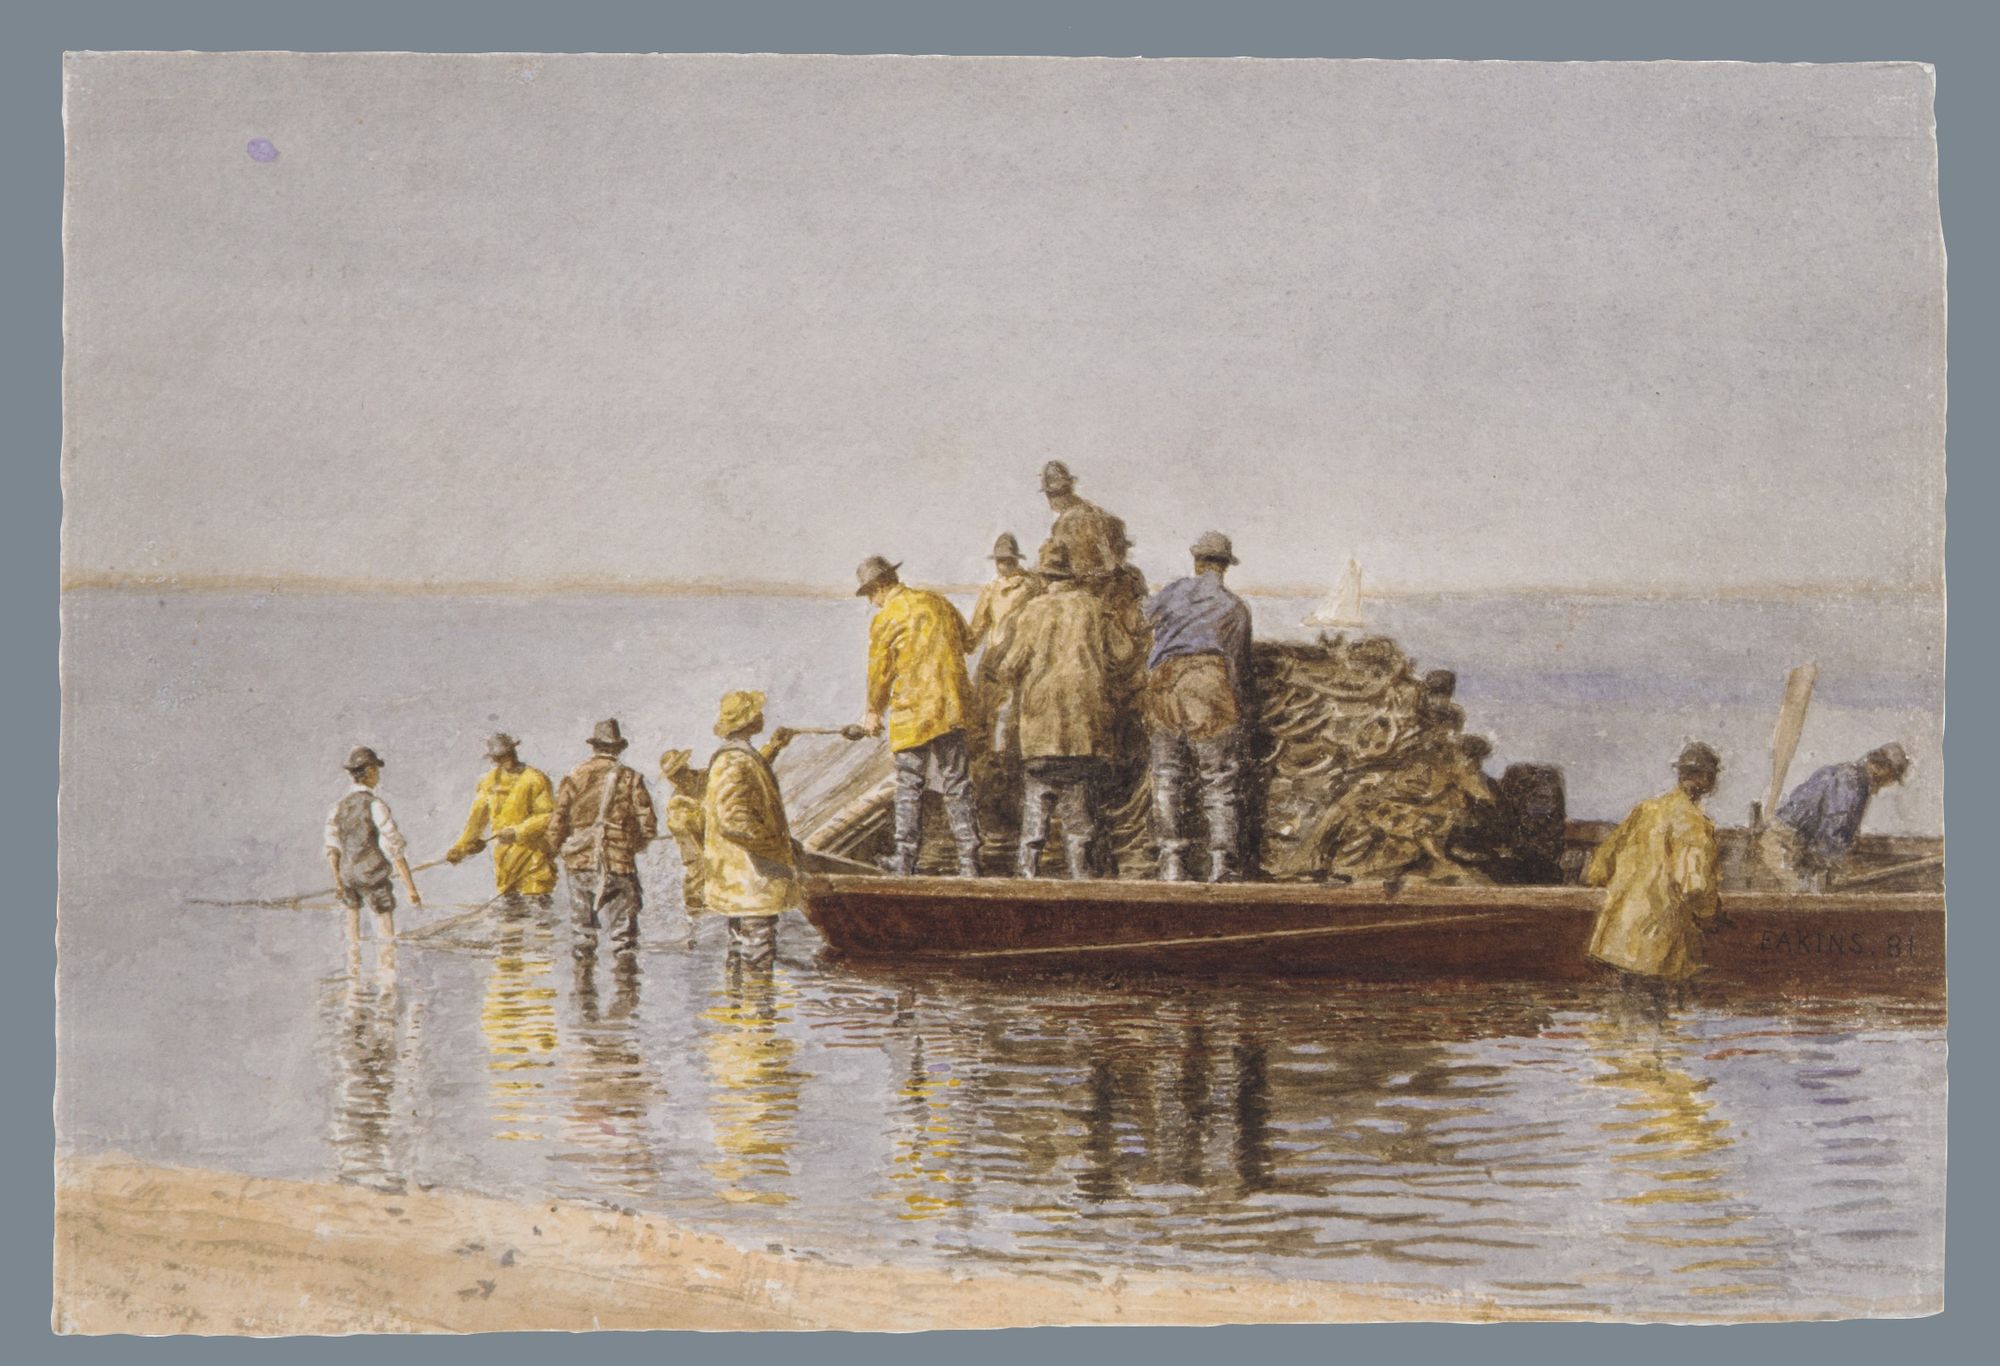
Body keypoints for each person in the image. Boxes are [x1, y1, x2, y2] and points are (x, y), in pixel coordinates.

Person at [984, 543, 1142, 878]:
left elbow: (1009, 667)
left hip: (1039, 733)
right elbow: (1126, 653)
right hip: (1083, 734)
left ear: (1044, 577)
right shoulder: (1095, 609)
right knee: (1079, 822)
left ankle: (1026, 882)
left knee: (1034, 820)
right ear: (1073, 576)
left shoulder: (1031, 612)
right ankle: (1081, 883)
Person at [855, 555, 981, 876]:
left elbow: (879, 674)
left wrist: (872, 712)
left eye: (871, 594)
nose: (871, 602)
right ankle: (969, 861)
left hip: (913, 713)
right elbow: (968, 642)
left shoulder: (886, 618)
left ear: (882, 587)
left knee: (909, 785)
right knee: (958, 783)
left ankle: (905, 860)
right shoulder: (937, 601)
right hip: (952, 708)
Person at [1141, 532, 1255, 882]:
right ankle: (1221, 864)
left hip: (1163, 682)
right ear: (1224, 567)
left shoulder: (1175, 591)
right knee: (1218, 779)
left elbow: (1142, 617)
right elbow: (1237, 664)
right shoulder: (1234, 607)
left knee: (1166, 776)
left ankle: (1171, 862)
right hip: (1208, 684)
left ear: (1197, 562)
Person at [1583, 742, 1723, 983]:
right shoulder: (1694, 823)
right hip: (1657, 945)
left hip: (1619, 936)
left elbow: (1600, 867)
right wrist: (1710, 913)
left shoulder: (1646, 810)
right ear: (1706, 779)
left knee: (1626, 1012)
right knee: (1654, 1013)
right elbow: (1695, 886)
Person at [702, 690, 803, 964]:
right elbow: (733, 820)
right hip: (751, 874)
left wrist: (775, 746)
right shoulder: (734, 761)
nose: (762, 715)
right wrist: (775, 842)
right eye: (756, 712)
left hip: (743, 875)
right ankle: (758, 1003)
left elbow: (749, 773)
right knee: (757, 953)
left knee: (741, 949)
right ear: (748, 721)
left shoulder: (738, 757)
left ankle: (740, 1002)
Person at [545, 719, 658, 954]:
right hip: (619, 864)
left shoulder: (574, 777)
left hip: (580, 862)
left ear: (594, 747)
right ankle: (627, 987)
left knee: (582, 935)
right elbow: (648, 826)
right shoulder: (631, 778)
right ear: (618, 748)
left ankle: (583, 987)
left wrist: (555, 849)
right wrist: (627, 846)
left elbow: (557, 822)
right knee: (624, 939)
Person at [1759, 743, 1911, 890]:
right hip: (1783, 845)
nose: (1889, 783)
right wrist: (1830, 868)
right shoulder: (1853, 784)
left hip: (1791, 842)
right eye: (1892, 776)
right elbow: (1834, 830)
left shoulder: (1845, 773)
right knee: (1804, 897)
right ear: (1881, 768)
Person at [324, 746, 423, 941]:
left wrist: (338, 882)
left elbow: (332, 848)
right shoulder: (375, 805)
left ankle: (354, 966)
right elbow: (394, 848)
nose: (378, 775)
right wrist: (411, 889)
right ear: (370, 771)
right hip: (373, 875)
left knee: (352, 927)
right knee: (385, 929)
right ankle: (387, 965)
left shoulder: (338, 807)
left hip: (347, 877)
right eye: (376, 770)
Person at [445, 733, 556, 904]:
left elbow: (547, 816)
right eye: (499, 757)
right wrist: (461, 848)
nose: (504, 760)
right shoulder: (488, 781)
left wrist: (517, 832)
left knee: (537, 921)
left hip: (534, 862)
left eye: (507, 755)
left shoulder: (535, 779)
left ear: (513, 752)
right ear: (494, 759)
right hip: (505, 867)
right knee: (510, 925)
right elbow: (476, 820)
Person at [658, 748, 708, 911]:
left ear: (686, 767)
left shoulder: (708, 778)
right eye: (673, 777)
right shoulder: (677, 804)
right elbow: (688, 847)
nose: (678, 779)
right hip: (701, 853)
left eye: (680, 772)